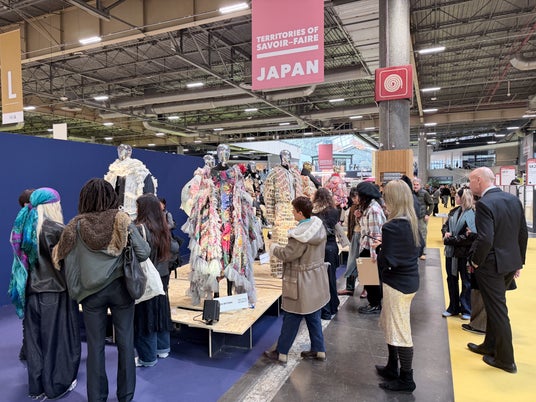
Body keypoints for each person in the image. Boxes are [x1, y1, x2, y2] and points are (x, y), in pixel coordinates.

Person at [53, 178, 150, 402]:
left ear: (84, 198)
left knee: (95, 347)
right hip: (121, 289)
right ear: (111, 196)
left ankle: (97, 398)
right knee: (126, 343)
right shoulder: (121, 219)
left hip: (90, 294)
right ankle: (126, 396)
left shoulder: (75, 225)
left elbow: (64, 259)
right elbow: (144, 252)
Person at [9, 187, 80, 399]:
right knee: (55, 342)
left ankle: (36, 388)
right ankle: (56, 386)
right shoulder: (58, 230)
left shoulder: (22, 229)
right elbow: (69, 265)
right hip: (55, 292)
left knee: (34, 342)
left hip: (30, 292)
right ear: (52, 206)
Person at [467, 167, 528, 374]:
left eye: (470, 181)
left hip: (491, 265)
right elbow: (522, 233)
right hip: (509, 262)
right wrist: (519, 261)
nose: (469, 185)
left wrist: (475, 262)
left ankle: (506, 359)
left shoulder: (484, 204)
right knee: (495, 307)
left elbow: (485, 239)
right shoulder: (513, 200)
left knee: (498, 310)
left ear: (478, 180)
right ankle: (489, 345)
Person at [264, 196, 329, 363]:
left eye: (294, 210)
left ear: (300, 213)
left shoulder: (300, 236)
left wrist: (273, 247)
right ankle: (319, 349)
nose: (292, 213)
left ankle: (281, 352)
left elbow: (288, 254)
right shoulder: (318, 228)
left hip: (300, 281)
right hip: (316, 279)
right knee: (313, 315)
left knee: (292, 316)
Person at [372, 180, 421, 393]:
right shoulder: (411, 222)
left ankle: (406, 378)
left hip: (396, 284)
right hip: (409, 281)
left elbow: (387, 261)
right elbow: (417, 250)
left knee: (400, 330)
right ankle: (393, 366)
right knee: (391, 324)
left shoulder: (391, 227)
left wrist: (380, 249)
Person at [134, 194, 178, 367]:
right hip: (163, 275)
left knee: (145, 315)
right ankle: (163, 348)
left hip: (147, 277)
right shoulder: (163, 227)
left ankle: (147, 357)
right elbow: (174, 248)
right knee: (161, 310)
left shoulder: (139, 229)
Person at [264, 149, 303, 277]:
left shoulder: (295, 173)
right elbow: (268, 196)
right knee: (280, 241)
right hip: (280, 211)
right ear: (280, 158)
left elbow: (300, 193)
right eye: (284, 156)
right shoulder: (274, 173)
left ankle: (293, 268)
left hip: (295, 210)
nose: (287, 158)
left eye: (288, 156)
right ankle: (278, 270)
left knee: (294, 241)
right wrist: (271, 215)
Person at [441, 187, 476, 320]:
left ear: (463, 198)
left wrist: (451, 240)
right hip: (451, 253)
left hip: (465, 254)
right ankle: (453, 307)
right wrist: (445, 232)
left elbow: (471, 236)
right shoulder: (453, 211)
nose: (455, 198)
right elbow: (445, 226)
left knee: (466, 281)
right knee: (451, 279)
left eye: (457, 196)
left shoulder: (472, 214)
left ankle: (466, 309)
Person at [355, 182, 386, 315]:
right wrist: (359, 217)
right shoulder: (368, 208)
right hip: (367, 246)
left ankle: (375, 304)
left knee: (371, 278)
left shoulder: (373, 209)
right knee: (368, 278)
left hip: (371, 248)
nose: (357, 198)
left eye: (359, 195)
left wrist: (373, 255)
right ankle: (373, 302)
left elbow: (375, 234)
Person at [104, 144, 157, 217]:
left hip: (134, 214)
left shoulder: (140, 171)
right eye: (120, 150)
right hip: (114, 214)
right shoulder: (113, 172)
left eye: (126, 150)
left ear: (130, 152)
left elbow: (149, 196)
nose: (122, 153)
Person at [312, 187, 341, 320]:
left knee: (321, 280)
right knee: (331, 278)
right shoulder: (334, 211)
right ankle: (333, 306)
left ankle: (325, 310)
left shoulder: (314, 212)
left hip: (319, 246)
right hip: (331, 246)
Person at [13, 188, 35, 361]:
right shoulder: (33, 223)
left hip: (22, 274)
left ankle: (27, 349)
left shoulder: (18, 224)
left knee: (28, 315)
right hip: (33, 275)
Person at [338, 187, 362, 296]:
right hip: (355, 236)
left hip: (365, 237)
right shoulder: (352, 208)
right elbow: (349, 224)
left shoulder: (367, 207)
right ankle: (349, 287)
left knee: (365, 262)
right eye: (353, 197)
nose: (354, 199)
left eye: (355, 197)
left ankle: (367, 289)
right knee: (351, 262)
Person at [412, 178, 434, 260]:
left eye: (417, 185)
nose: (415, 186)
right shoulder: (410, 193)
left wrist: (427, 214)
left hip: (421, 218)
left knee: (422, 234)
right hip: (413, 218)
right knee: (413, 235)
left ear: (420, 185)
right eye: (414, 184)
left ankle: (422, 252)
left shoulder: (425, 193)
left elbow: (431, 204)